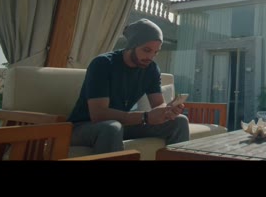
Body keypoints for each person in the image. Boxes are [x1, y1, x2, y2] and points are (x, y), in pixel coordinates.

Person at [68, 18, 189, 155]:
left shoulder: (151, 69)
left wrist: (167, 110)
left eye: (156, 52)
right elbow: (98, 114)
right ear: (132, 45)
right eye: (147, 50)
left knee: (179, 122)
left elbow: (158, 104)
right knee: (112, 127)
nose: (151, 57)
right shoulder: (103, 64)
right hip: (84, 126)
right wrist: (145, 117)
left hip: (122, 125)